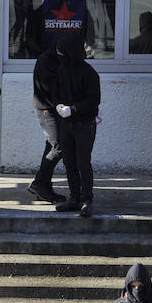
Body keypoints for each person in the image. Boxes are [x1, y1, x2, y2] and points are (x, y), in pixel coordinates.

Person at [53, 33, 100, 218]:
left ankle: (87, 200)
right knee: (69, 162)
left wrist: (73, 109)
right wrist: (57, 105)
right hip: (66, 124)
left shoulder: (89, 73)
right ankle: (74, 197)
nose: (59, 54)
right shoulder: (62, 70)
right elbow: (55, 91)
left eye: (62, 51)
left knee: (83, 163)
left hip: (84, 124)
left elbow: (94, 100)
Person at [28, 39, 66, 204]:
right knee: (58, 146)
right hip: (47, 109)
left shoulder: (56, 59)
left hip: (53, 108)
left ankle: (43, 185)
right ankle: (40, 184)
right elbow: (51, 87)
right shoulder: (46, 61)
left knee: (52, 145)